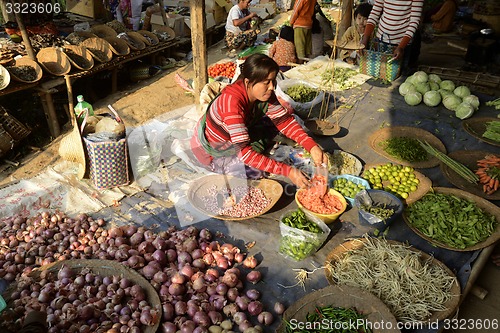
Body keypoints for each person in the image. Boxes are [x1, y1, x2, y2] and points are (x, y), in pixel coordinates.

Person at [190, 54, 328, 188]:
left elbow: (284, 121)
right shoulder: (232, 103)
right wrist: (288, 171)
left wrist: (312, 146)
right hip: (216, 151)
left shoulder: (264, 94)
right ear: (247, 82)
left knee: (274, 125)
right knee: (256, 172)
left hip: (237, 138)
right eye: (266, 82)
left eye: (273, 81)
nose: (272, 87)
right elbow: (244, 152)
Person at [360, 0, 424, 69]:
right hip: (380, 41)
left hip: (402, 45)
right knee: (376, 72)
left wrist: (401, 47)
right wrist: (365, 38)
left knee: (398, 75)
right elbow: (374, 14)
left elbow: (414, 21)